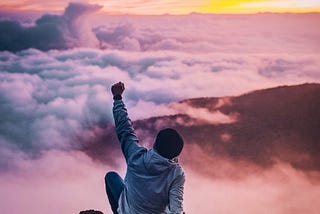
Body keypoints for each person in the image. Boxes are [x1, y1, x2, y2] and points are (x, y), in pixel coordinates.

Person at [105, 82, 185, 214]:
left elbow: (125, 129)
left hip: (129, 211)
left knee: (111, 177)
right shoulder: (176, 173)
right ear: (175, 155)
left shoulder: (135, 156)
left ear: (155, 144)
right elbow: (177, 208)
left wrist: (117, 98)